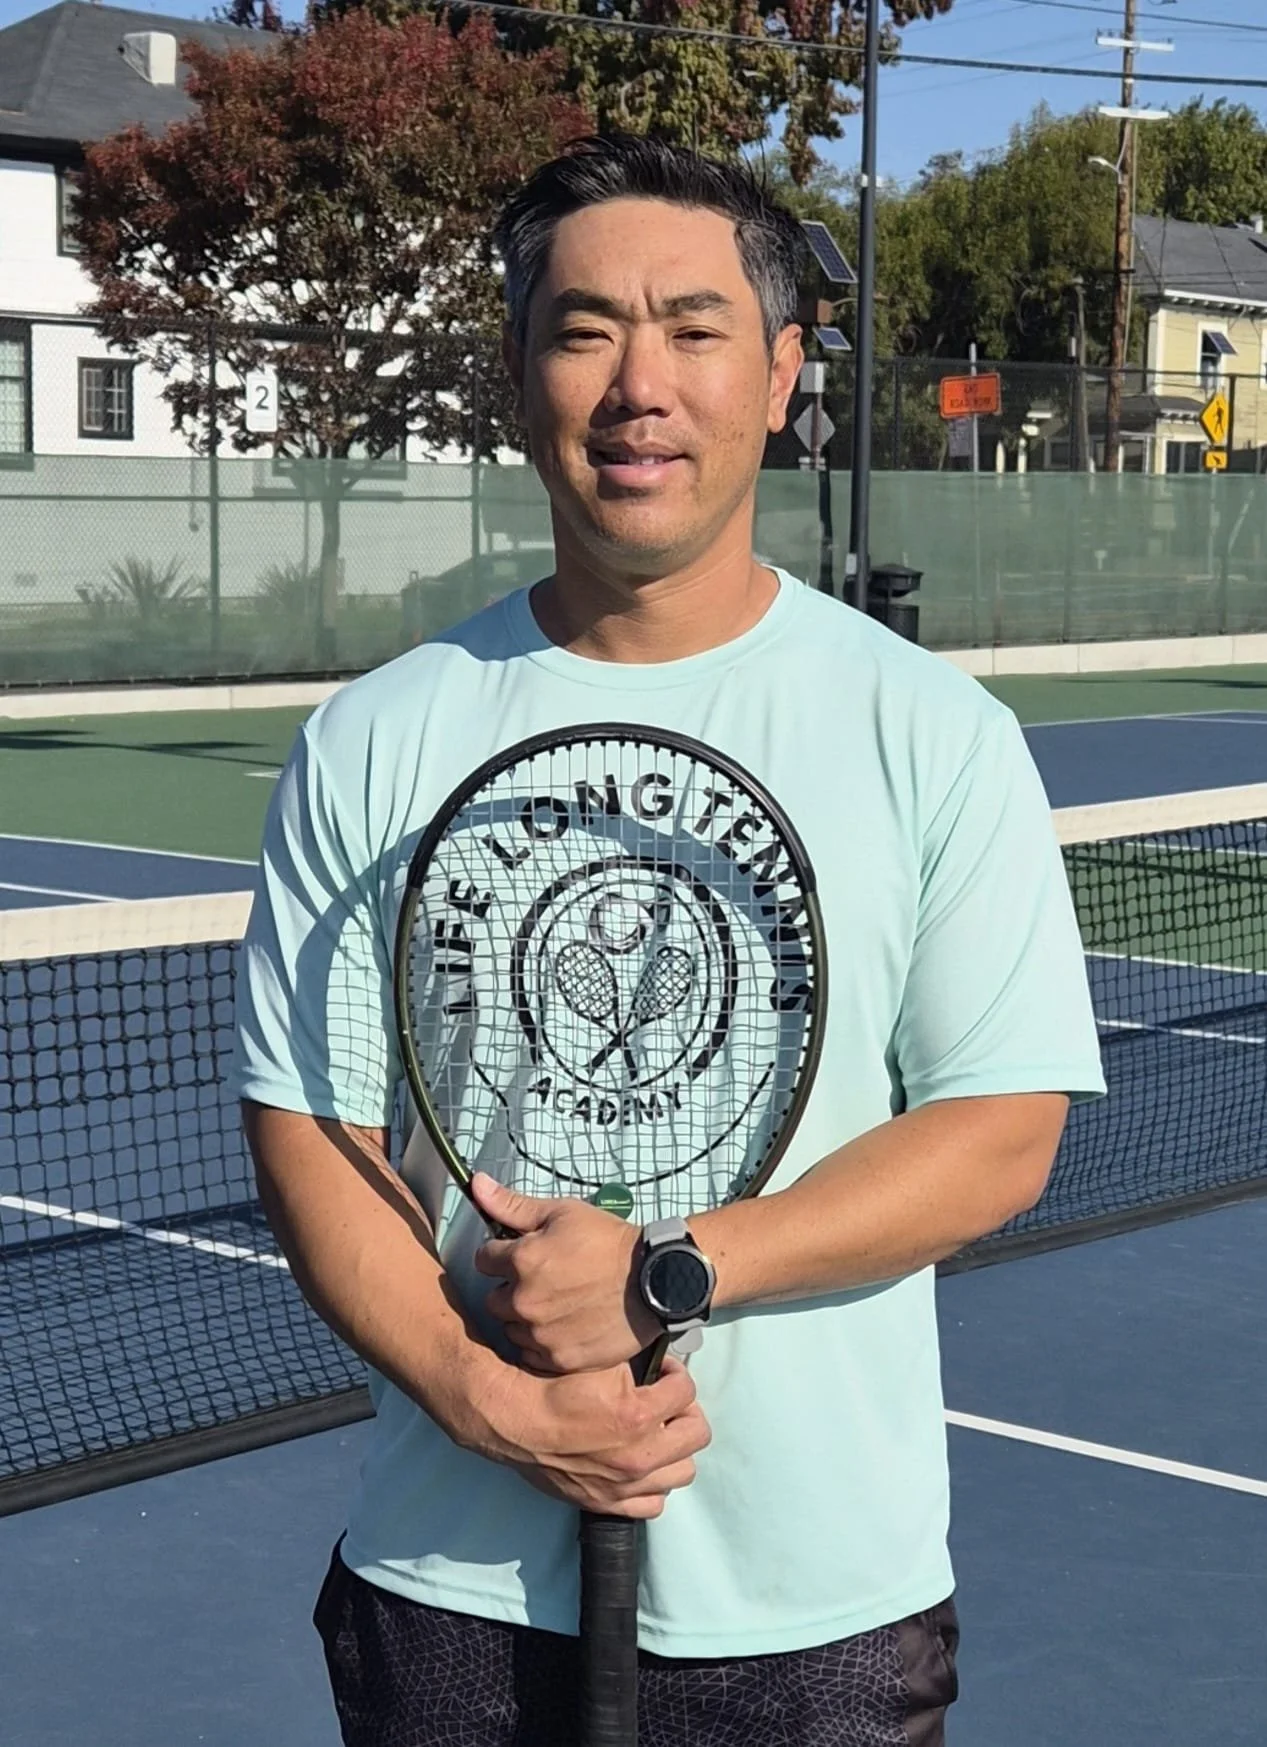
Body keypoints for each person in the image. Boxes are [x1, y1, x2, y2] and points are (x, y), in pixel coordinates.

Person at [234, 133, 1105, 1747]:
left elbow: (1000, 1128)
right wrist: (495, 1401)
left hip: (819, 1604)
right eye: (583, 329)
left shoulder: (932, 731)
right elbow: (309, 1126)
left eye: (695, 329)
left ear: (778, 374)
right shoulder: (373, 737)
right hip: (452, 1596)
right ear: (516, 375)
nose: (640, 383)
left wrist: (670, 1270)